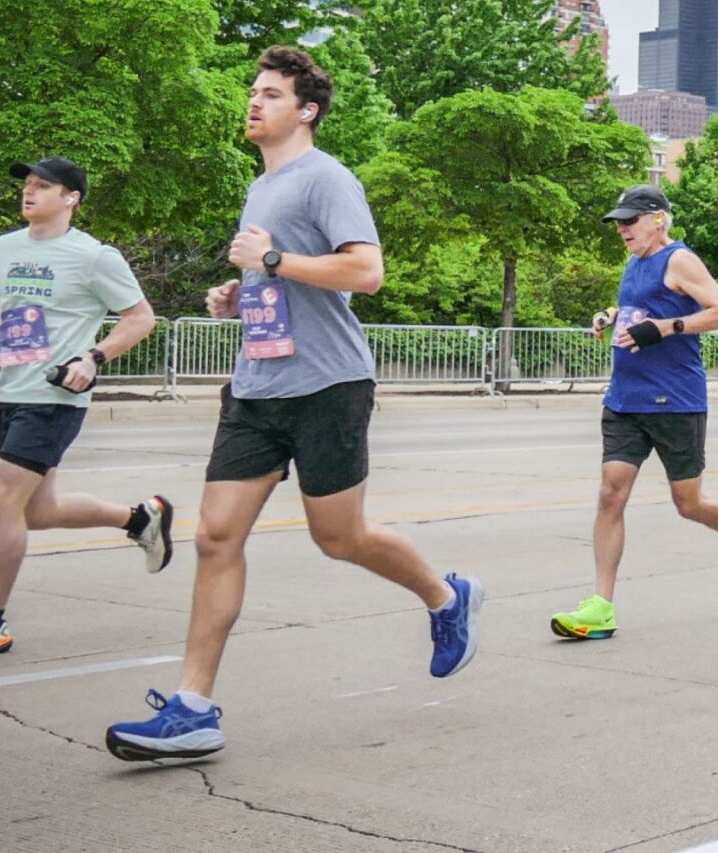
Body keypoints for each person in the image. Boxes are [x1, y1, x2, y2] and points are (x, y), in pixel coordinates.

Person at [105, 48, 481, 761]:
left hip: (328, 386)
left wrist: (271, 263)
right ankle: (193, 708)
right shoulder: (262, 187)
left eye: (270, 94)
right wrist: (242, 296)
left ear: (305, 110)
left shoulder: (326, 178)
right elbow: (286, 279)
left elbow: (366, 271)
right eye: (253, 92)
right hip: (257, 386)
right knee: (216, 536)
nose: (254, 102)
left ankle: (446, 595)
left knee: (339, 537)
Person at [0, 157, 175, 662]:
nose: (29, 193)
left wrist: (93, 356)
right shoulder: (2, 248)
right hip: (13, 392)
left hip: (56, 397)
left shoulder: (95, 256)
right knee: (35, 512)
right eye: (27, 186)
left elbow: (140, 317)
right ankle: (140, 518)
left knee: (0, 498)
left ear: (71, 197)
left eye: (42, 186)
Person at [548, 184, 718, 641]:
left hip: (675, 400)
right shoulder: (635, 261)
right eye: (618, 222)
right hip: (625, 399)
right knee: (610, 496)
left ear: (658, 218)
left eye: (629, 221)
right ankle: (601, 607)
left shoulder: (680, 259)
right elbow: (644, 307)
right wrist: (611, 316)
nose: (621, 229)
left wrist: (667, 328)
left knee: (688, 504)